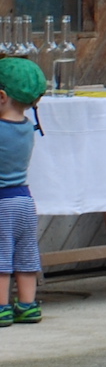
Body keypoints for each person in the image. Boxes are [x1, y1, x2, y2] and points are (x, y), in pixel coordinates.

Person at [0, 57, 47, 325]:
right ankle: (28, 305)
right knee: (26, 255)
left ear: (2, 96)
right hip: (24, 201)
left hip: (2, 203)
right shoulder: (28, 127)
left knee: (1, 257)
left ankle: (2, 307)